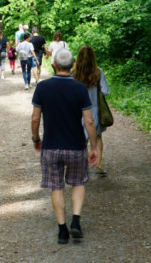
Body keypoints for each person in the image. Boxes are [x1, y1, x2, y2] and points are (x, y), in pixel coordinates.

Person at [31, 48, 98, 244]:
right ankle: (75, 221)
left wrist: (36, 139)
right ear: (73, 65)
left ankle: (62, 231)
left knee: (56, 186)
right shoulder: (80, 89)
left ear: (53, 65)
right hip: (76, 147)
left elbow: (35, 118)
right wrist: (93, 147)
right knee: (78, 182)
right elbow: (90, 121)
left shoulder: (42, 87)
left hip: (51, 146)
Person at [72, 46, 110, 176]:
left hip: (78, 111)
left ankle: (82, 166)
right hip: (94, 109)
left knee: (82, 139)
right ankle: (98, 165)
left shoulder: (73, 73)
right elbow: (105, 91)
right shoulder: (98, 72)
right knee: (97, 137)